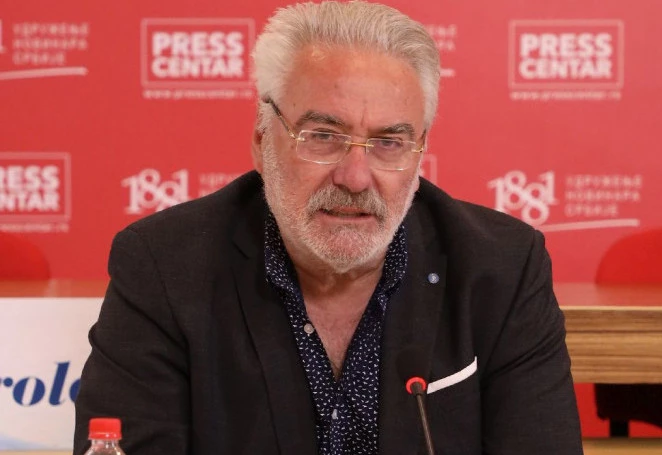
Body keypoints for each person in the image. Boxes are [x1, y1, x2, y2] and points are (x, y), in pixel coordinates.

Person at [74, 2, 583, 454]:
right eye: (322, 135)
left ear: (419, 149)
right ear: (262, 140)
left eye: (389, 143)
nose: (355, 178)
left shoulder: (502, 268)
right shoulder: (165, 267)